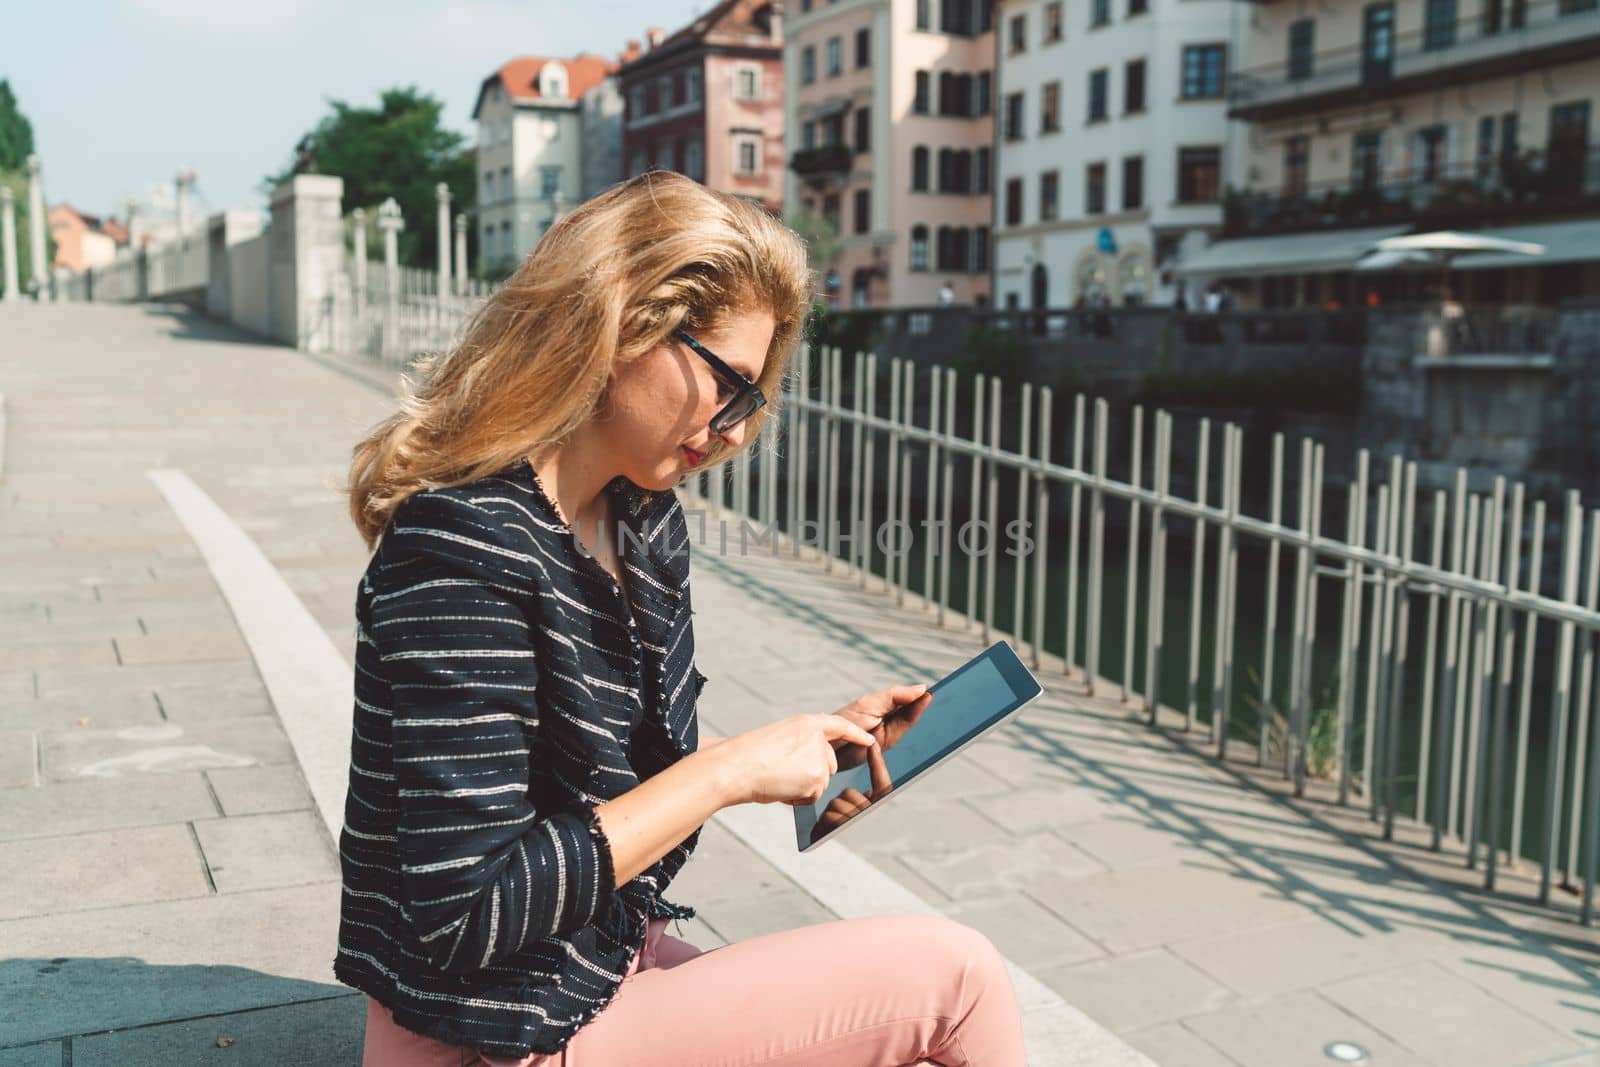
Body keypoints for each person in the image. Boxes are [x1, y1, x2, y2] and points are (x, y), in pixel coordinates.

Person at [334, 170, 1027, 1067]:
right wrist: (731, 771)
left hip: (597, 965)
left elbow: (633, 827)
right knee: (959, 978)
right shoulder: (462, 546)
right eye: (730, 384)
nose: (738, 430)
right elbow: (466, 912)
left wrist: (808, 767)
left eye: (756, 399)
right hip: (501, 1030)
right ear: (625, 322)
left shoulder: (640, 518)